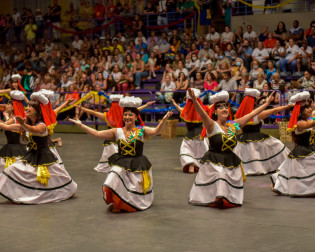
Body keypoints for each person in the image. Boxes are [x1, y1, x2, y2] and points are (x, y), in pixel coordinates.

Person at [69, 96, 173, 212]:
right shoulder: (117, 131)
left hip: (137, 165)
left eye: (130, 115)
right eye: (125, 114)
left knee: (133, 188)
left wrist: (164, 120)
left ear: (136, 117)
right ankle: (118, 203)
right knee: (114, 175)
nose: (127, 117)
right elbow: (97, 133)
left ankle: (128, 203)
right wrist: (81, 125)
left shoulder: (141, 130)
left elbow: (156, 131)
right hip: (122, 162)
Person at [188, 89, 274, 208]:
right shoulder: (212, 125)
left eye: (226, 107)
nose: (224, 109)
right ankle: (218, 197)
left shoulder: (233, 126)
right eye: (221, 107)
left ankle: (225, 197)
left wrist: (266, 104)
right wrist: (194, 100)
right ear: (216, 111)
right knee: (221, 174)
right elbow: (202, 113)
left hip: (230, 160)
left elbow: (251, 115)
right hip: (214, 162)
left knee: (225, 177)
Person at [0, 92, 77, 204]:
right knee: (12, 169)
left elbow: (32, 129)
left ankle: (66, 190)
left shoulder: (42, 126)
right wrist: (21, 124)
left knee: (58, 180)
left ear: (37, 111)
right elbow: (6, 126)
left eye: (30, 106)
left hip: (44, 156)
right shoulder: (26, 123)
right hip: (32, 155)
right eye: (28, 106)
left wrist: (23, 125)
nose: (27, 107)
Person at [233, 88, 292, 175]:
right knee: (275, 145)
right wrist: (288, 106)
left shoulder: (241, 115)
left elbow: (235, 127)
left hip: (243, 139)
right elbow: (273, 110)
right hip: (257, 138)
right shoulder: (256, 114)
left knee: (250, 154)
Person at [271, 91, 315, 197]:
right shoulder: (300, 123)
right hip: (303, 152)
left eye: (310, 107)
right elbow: (312, 123)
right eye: (307, 108)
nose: (310, 109)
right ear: (301, 111)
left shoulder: (308, 119)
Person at [170, 89, 208, 173]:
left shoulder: (186, 111)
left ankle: (191, 163)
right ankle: (202, 165)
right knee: (201, 150)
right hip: (200, 135)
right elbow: (210, 107)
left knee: (187, 150)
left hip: (189, 135)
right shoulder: (201, 110)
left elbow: (179, 108)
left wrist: (174, 103)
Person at [0, 91, 27, 171]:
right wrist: (6, 115)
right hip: (16, 147)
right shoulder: (13, 118)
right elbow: (7, 122)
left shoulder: (12, 119)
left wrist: (6, 117)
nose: (6, 106)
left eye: (8, 104)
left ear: (12, 107)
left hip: (12, 148)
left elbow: (5, 125)